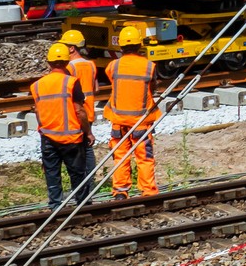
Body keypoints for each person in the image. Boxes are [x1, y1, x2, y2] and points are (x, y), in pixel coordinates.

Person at [31, 43, 93, 207]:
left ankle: (55, 205)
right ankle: (82, 203)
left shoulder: (37, 85)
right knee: (77, 173)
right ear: (66, 62)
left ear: (49, 62)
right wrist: (88, 132)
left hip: (48, 137)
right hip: (71, 137)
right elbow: (80, 111)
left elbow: (38, 111)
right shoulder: (72, 83)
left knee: (52, 173)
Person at [104, 26, 159, 199]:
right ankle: (148, 192)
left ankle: (120, 192)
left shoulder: (113, 65)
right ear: (139, 45)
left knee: (120, 156)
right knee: (144, 158)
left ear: (120, 46)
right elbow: (153, 87)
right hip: (141, 122)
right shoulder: (149, 66)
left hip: (119, 121)